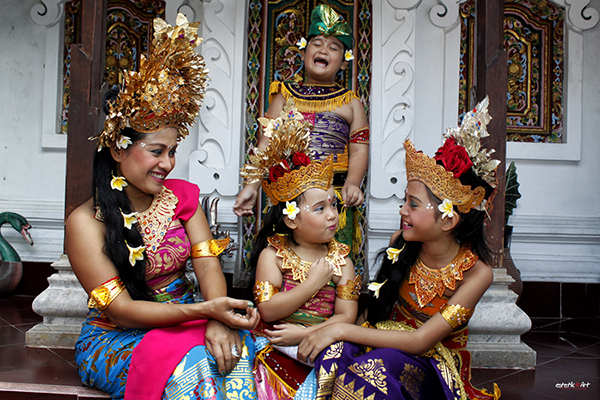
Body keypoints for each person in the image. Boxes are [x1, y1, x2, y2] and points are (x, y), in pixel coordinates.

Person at [66, 14, 259, 400]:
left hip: (191, 321)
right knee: (195, 367)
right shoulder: (86, 222)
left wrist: (217, 320)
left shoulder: (183, 197)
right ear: (118, 149)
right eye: (156, 151)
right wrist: (208, 312)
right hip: (118, 336)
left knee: (237, 357)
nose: (168, 163)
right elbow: (120, 311)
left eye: (172, 152)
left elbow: (208, 267)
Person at [298, 97, 502, 399]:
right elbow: (374, 310)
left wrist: (339, 329)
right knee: (335, 352)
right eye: (404, 200)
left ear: (448, 220)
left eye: (413, 204)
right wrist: (339, 337)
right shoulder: (402, 243)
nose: (402, 210)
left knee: (375, 367)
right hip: (383, 341)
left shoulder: (477, 273)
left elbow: (420, 342)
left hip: (431, 363)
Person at [239, 101, 360, 399]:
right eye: (320, 208)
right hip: (276, 342)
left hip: (322, 342)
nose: (332, 215)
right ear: (292, 218)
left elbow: (347, 316)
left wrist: (306, 333)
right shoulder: (273, 255)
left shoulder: (341, 260)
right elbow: (268, 310)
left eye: (334, 205)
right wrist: (313, 284)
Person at [234, 4, 369, 271]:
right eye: (316, 44)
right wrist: (251, 186)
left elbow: (359, 150)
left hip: (333, 197)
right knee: (283, 263)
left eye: (333, 47)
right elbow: (266, 146)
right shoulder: (284, 95)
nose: (323, 50)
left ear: (344, 62)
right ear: (304, 53)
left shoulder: (352, 102)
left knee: (335, 265)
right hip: (289, 197)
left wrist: (353, 183)